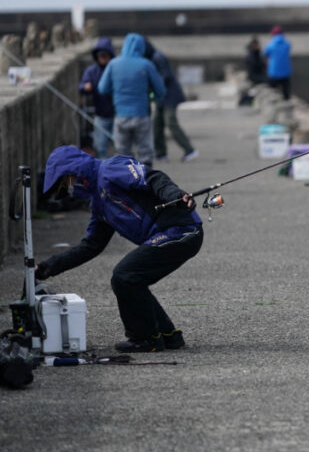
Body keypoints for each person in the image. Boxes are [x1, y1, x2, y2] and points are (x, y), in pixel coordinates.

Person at [34, 146, 203, 352]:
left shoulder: (111, 169)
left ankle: (144, 339)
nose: (68, 188)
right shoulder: (98, 205)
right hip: (169, 235)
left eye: (65, 181)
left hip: (181, 230)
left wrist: (175, 195)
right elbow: (91, 246)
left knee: (125, 276)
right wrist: (48, 267)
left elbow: (153, 177)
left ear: (73, 171)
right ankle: (168, 336)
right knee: (132, 278)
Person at [98, 32, 165, 167]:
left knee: (122, 154)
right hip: (142, 115)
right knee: (145, 153)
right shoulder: (146, 64)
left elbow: (102, 88)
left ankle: (126, 184)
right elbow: (161, 90)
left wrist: (117, 92)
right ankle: (146, 182)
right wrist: (153, 98)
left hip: (121, 115)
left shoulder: (113, 64)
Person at [145, 38, 198, 163]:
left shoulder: (158, 57)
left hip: (170, 95)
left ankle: (189, 150)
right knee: (157, 123)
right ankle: (160, 153)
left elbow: (166, 76)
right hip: (160, 96)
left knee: (170, 122)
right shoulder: (149, 58)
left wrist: (152, 87)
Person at [78, 37, 116, 158]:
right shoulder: (91, 71)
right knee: (99, 146)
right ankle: (104, 173)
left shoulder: (116, 69)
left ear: (110, 55)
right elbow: (81, 86)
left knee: (120, 147)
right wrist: (85, 86)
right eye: (100, 56)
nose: (103, 58)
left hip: (118, 115)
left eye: (106, 55)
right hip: (101, 115)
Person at [264, 25, 292, 100]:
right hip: (285, 72)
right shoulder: (287, 44)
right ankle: (287, 104)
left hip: (273, 72)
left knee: (272, 92)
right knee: (286, 92)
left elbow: (266, 54)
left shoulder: (270, 45)